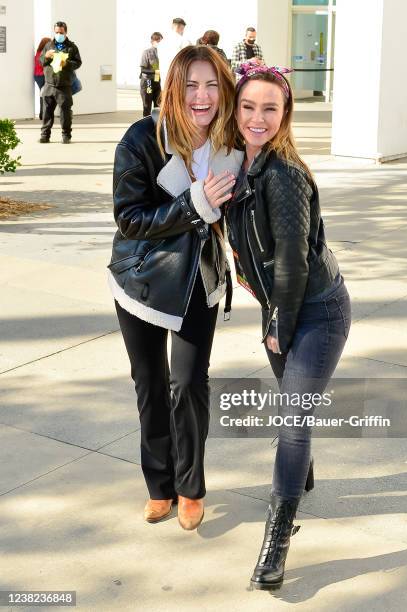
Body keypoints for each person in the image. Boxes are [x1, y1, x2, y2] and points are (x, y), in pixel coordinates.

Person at [221, 61, 351, 589]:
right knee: (294, 410)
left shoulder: (283, 174)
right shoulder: (238, 165)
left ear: (285, 113)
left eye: (269, 108)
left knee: (292, 419)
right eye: (248, 106)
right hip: (282, 305)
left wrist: (279, 321)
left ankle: (276, 537)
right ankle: (302, 468)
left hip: (315, 309)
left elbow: (294, 263)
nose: (257, 118)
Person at [108, 46, 243, 531]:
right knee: (149, 384)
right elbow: (129, 218)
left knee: (188, 383)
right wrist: (193, 204)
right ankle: (158, 485)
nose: (201, 97)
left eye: (212, 85)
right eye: (191, 85)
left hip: (197, 281)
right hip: (141, 280)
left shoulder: (232, 144)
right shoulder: (142, 139)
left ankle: (190, 487)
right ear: (173, 89)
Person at [39, 21, 82, 144]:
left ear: (66, 32)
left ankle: (66, 135)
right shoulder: (48, 45)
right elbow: (40, 62)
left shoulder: (72, 47)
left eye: (61, 32)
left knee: (65, 112)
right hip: (49, 85)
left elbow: (78, 63)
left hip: (64, 86)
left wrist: (67, 63)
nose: (58, 34)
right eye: (56, 32)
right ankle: (45, 135)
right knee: (47, 112)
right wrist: (46, 56)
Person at [157, 17, 192, 84]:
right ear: (181, 27)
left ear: (172, 26)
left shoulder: (161, 43)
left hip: (164, 79)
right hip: (179, 79)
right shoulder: (184, 41)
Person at [139, 31, 163, 117]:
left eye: (160, 41)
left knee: (159, 105)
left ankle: (158, 126)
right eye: (158, 41)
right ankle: (146, 126)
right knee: (147, 105)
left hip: (156, 81)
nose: (159, 43)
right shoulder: (147, 52)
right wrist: (156, 71)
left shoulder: (161, 53)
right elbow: (143, 69)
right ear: (152, 41)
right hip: (148, 82)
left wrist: (158, 78)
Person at [34, 37, 51, 120]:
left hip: (37, 76)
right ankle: (43, 114)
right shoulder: (43, 54)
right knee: (45, 94)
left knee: (42, 93)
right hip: (42, 76)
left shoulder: (37, 52)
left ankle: (42, 114)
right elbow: (43, 65)